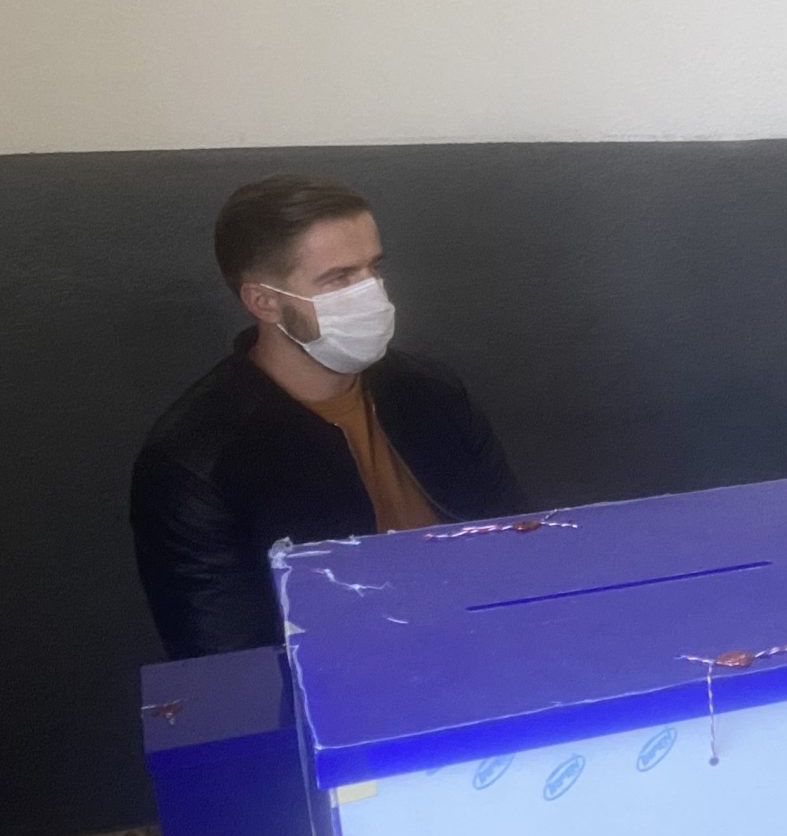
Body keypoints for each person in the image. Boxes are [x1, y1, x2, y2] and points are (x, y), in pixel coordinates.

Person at [131, 176, 523, 658]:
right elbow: (228, 661)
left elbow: (520, 544)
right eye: (339, 278)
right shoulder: (195, 463)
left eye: (374, 268)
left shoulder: (432, 393)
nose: (371, 293)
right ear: (264, 301)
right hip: (338, 688)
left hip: (488, 655)